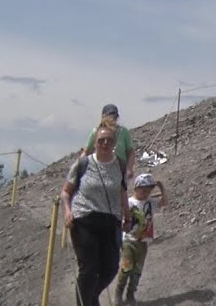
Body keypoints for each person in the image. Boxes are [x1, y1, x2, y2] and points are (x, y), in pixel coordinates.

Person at [63, 122, 132, 306]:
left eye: (109, 140)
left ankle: (90, 298)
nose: (105, 143)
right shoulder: (82, 164)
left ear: (114, 143)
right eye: (101, 140)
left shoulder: (119, 165)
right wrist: (68, 211)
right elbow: (66, 192)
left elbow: (122, 191)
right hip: (84, 218)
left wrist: (128, 216)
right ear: (95, 142)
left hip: (110, 221)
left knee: (110, 267)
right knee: (89, 268)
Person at [114, 173, 169, 304]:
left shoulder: (150, 203)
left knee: (137, 271)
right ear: (136, 188)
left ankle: (130, 294)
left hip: (143, 243)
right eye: (143, 191)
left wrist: (162, 189)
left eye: (148, 191)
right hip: (129, 241)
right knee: (126, 268)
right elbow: (120, 215)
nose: (145, 194)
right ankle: (118, 292)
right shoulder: (129, 202)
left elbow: (164, 203)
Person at [82, 104, 135, 180]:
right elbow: (87, 151)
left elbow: (130, 152)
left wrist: (129, 168)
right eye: (110, 115)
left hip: (119, 170)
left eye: (115, 115)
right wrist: (79, 167)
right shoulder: (96, 132)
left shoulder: (123, 132)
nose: (113, 118)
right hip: (100, 170)